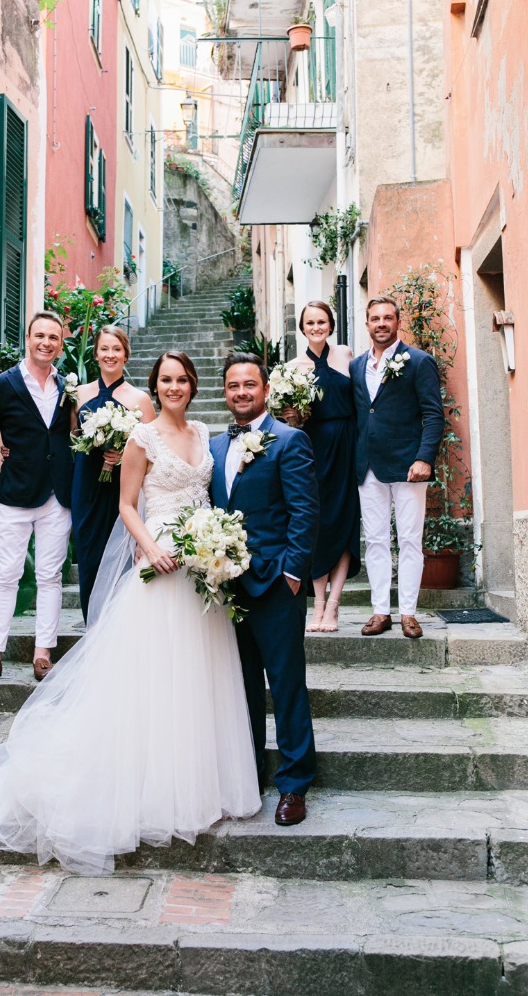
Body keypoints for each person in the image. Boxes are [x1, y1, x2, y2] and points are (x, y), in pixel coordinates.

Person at [0, 351, 261, 873]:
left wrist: (216, 544)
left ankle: (199, 785)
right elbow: (127, 505)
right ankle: (149, 792)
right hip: (159, 560)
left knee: (198, 676)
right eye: (165, 380)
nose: (174, 387)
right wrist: (150, 547)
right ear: (154, 387)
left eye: (182, 380)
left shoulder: (206, 434)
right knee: (153, 678)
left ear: (194, 385)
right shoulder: (143, 437)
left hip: (203, 566)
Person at [210, 353, 319, 827]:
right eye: (233, 385)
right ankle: (248, 773)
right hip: (227, 589)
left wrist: (292, 575)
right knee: (243, 688)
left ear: (266, 389)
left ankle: (294, 783)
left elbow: (305, 512)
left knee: (287, 685)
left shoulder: (290, 441)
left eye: (249, 384)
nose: (241, 392)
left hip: (276, 584)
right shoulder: (213, 447)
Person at [0, 311, 74, 685]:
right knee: (6, 575)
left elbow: (65, 435)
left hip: (57, 495)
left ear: (61, 344)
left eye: (53, 337)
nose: (46, 342)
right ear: (28, 338)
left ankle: (43, 654)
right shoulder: (1, 385)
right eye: (40, 335)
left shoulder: (68, 386)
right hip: (12, 493)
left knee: (50, 576)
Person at [349, 296, 444, 639]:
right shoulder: (356, 366)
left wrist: (424, 458)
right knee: (374, 540)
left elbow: (433, 414)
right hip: (368, 466)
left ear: (397, 322)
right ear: (367, 324)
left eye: (388, 317)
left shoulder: (418, 362)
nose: (381, 324)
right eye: (375, 318)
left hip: (408, 466)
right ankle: (380, 612)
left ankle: (408, 613)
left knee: (409, 540)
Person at [281, 301, 361, 632]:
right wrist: (292, 416)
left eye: (322, 321)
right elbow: (291, 418)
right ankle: (317, 607)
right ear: (302, 328)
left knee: (343, 525)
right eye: (310, 322)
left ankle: (334, 606)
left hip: (347, 446)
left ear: (331, 324)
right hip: (313, 449)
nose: (317, 327)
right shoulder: (293, 367)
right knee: (317, 525)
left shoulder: (345, 354)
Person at [70, 325, 155, 621]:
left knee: (120, 562)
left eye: (116, 349)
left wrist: (124, 455)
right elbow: (71, 438)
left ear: (126, 355)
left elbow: (153, 451)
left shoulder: (140, 399)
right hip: (86, 488)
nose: (110, 354)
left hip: (122, 489)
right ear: (95, 353)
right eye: (104, 348)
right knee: (90, 559)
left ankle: (117, 629)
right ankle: (91, 627)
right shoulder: (79, 394)